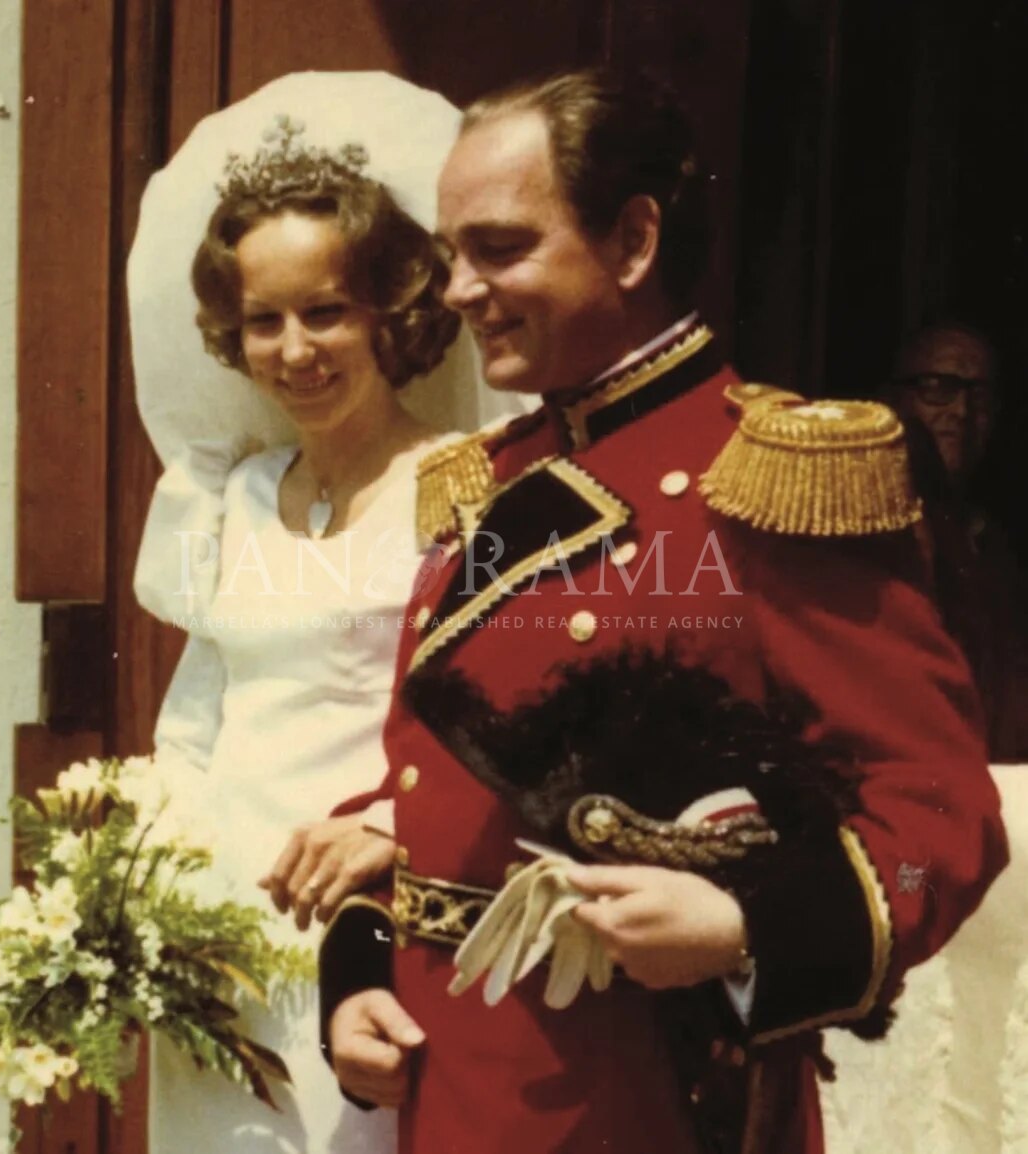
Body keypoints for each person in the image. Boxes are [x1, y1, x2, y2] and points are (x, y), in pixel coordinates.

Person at [319, 68, 1008, 1154]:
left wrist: (745, 923)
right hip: (452, 1094)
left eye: (498, 249)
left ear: (633, 242)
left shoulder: (767, 478)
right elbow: (434, 793)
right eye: (452, 253)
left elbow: (942, 820)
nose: (456, 289)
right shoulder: (491, 478)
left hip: (648, 1106)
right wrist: (356, 972)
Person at [129, 72, 527, 1154]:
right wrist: (140, 884)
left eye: (325, 312)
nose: (294, 350)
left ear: (391, 315)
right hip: (220, 932)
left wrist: (396, 833)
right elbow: (193, 722)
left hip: (375, 909)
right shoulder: (232, 498)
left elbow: (510, 723)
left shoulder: (464, 488)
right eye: (263, 320)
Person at [884, 323, 1028, 762]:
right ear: (895, 399)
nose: (961, 412)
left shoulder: (1000, 549)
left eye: (979, 396)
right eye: (937, 389)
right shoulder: (864, 534)